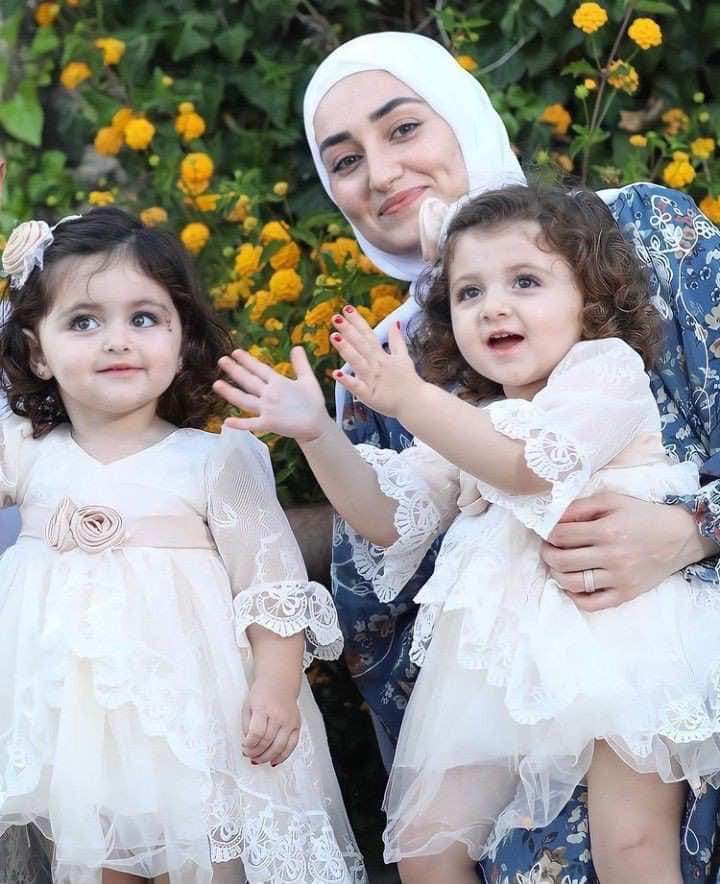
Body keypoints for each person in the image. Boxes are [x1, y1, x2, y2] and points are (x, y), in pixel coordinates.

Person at [294, 30, 720, 881]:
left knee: (632, 843)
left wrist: (693, 529)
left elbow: (530, 462)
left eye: (403, 127)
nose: (379, 173)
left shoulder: (629, 251)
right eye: (344, 160)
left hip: (644, 650)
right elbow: (388, 550)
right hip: (503, 683)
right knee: (432, 844)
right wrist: (315, 431)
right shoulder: (407, 366)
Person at [0, 207, 366, 884]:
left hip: (194, 717)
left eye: (144, 318)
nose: (117, 341)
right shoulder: (24, 453)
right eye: (83, 322)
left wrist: (278, 686)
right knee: (98, 860)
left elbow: (272, 586)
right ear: (36, 351)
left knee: (202, 859)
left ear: (182, 338)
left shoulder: (213, 460)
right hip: (76, 727)